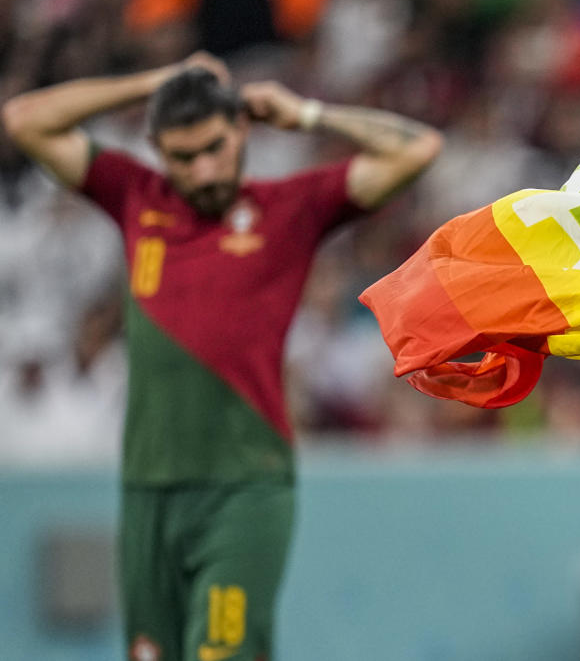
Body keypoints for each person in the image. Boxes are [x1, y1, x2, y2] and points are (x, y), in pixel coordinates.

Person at [2, 52, 442, 661]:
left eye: (215, 148)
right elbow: (26, 119)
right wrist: (154, 79)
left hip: (245, 488)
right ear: (156, 148)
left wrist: (308, 113)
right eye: (184, 157)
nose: (205, 169)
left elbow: (417, 149)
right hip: (147, 491)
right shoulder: (135, 195)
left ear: (241, 131)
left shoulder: (290, 208)